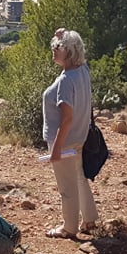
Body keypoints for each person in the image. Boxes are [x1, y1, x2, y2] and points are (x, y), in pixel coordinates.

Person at [43, 29, 99, 239]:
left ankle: (69, 227)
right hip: (80, 137)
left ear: (69, 51)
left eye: (58, 47)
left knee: (66, 186)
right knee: (79, 177)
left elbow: (66, 117)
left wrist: (56, 149)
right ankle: (89, 219)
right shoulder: (82, 70)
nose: (54, 50)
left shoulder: (66, 80)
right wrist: (63, 33)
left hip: (64, 141)